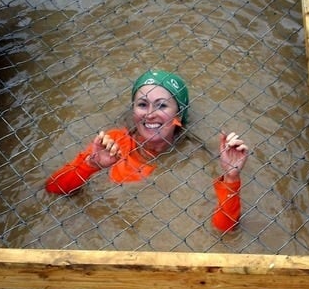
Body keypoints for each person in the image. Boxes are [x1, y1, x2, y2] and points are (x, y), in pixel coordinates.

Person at [45, 70, 249, 232]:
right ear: (133, 111)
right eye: (143, 104)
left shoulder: (195, 158)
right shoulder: (114, 142)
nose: (150, 114)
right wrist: (91, 165)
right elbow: (54, 189)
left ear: (179, 115)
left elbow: (224, 231)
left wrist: (231, 177)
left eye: (161, 106)